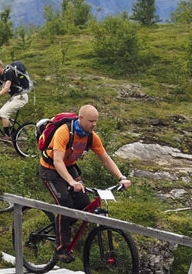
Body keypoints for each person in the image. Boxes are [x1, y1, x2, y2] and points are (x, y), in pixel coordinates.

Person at [38, 104, 131, 260]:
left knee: (83, 206)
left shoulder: (91, 136)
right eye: (90, 121)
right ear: (80, 118)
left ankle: (62, 226)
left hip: (70, 168)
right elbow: (58, 161)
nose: (93, 125)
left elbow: (105, 159)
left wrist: (121, 177)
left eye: (95, 121)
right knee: (65, 206)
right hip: (50, 170)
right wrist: (71, 181)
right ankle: (61, 249)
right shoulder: (64, 132)